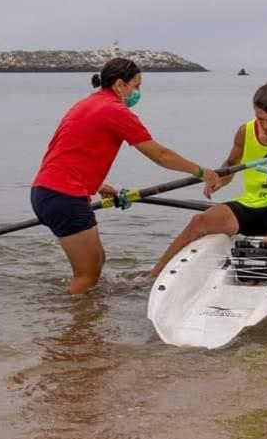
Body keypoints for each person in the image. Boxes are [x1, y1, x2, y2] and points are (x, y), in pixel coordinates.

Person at [31, 57, 222, 294]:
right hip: (63, 197)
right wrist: (202, 172)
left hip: (44, 192)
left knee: (98, 261)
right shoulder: (116, 111)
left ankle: (85, 319)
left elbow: (68, 151)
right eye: (137, 86)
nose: (138, 92)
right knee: (87, 275)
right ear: (120, 84)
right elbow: (160, 155)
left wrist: (97, 184)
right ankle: (76, 329)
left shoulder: (85, 104)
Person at [147, 82, 267, 278]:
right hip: (251, 207)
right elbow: (230, 166)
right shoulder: (245, 132)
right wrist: (218, 181)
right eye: (261, 119)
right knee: (199, 220)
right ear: (255, 112)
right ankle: (152, 274)